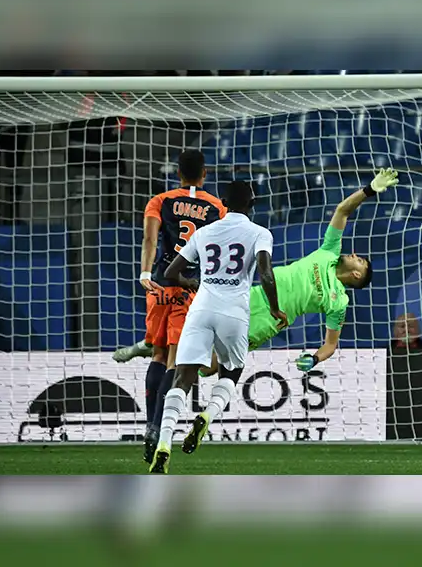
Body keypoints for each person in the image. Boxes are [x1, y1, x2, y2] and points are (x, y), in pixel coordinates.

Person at [141, 167, 400, 465]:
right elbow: (343, 210)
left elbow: (331, 344)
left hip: (264, 319)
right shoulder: (329, 251)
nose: (355, 254)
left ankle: (177, 420)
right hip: (250, 298)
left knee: (207, 368)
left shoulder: (338, 301)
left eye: (360, 261)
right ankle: (202, 413)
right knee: (216, 369)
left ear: (356, 274)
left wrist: (315, 358)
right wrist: (369, 189)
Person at [149, 181, 285, 474]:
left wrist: (191, 282)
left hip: (201, 309)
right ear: (253, 204)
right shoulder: (261, 233)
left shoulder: (204, 232)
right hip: (234, 312)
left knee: (182, 379)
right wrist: (274, 308)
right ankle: (207, 416)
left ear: (223, 201)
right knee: (230, 373)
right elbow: (265, 272)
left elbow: (170, 272)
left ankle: (163, 444)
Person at [130, 149, 226, 455]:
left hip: (160, 283)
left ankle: (149, 425)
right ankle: (159, 431)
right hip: (192, 289)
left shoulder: (161, 200)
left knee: (157, 355)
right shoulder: (217, 208)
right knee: (175, 359)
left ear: (177, 173)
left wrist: (146, 271)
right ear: (205, 173)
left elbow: (150, 239)